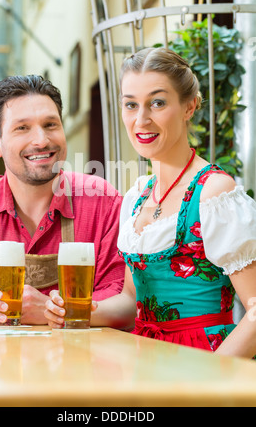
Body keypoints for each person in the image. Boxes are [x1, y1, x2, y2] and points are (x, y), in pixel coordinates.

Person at [45, 47, 256, 358]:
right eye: (131, 105)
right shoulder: (136, 196)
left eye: (157, 103)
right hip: (142, 361)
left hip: (201, 366)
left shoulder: (214, 192)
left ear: (189, 106)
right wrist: (81, 311)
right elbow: (131, 300)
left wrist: (214, 379)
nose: (141, 119)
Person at [0, 75, 125, 326]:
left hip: (76, 363)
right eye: (22, 128)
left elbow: (123, 300)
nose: (41, 140)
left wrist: (51, 310)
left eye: (50, 124)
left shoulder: (103, 201)